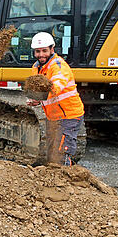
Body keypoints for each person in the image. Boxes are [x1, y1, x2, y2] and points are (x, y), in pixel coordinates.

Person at [26, 32, 85, 165]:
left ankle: (64, 174)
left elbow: (56, 87)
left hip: (68, 116)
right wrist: (35, 99)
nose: (41, 55)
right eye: (37, 51)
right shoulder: (37, 67)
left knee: (61, 152)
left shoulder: (58, 66)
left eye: (44, 51)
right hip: (53, 116)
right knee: (52, 152)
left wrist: (40, 97)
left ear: (52, 49)